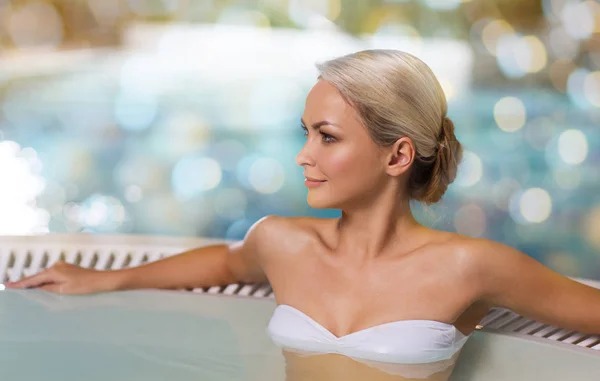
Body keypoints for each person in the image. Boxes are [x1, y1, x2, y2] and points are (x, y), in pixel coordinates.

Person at [5, 49, 600, 378]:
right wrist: (103, 279)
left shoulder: (470, 266)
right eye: (305, 133)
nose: (303, 155)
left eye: (327, 137)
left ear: (397, 155)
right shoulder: (283, 243)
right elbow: (225, 264)